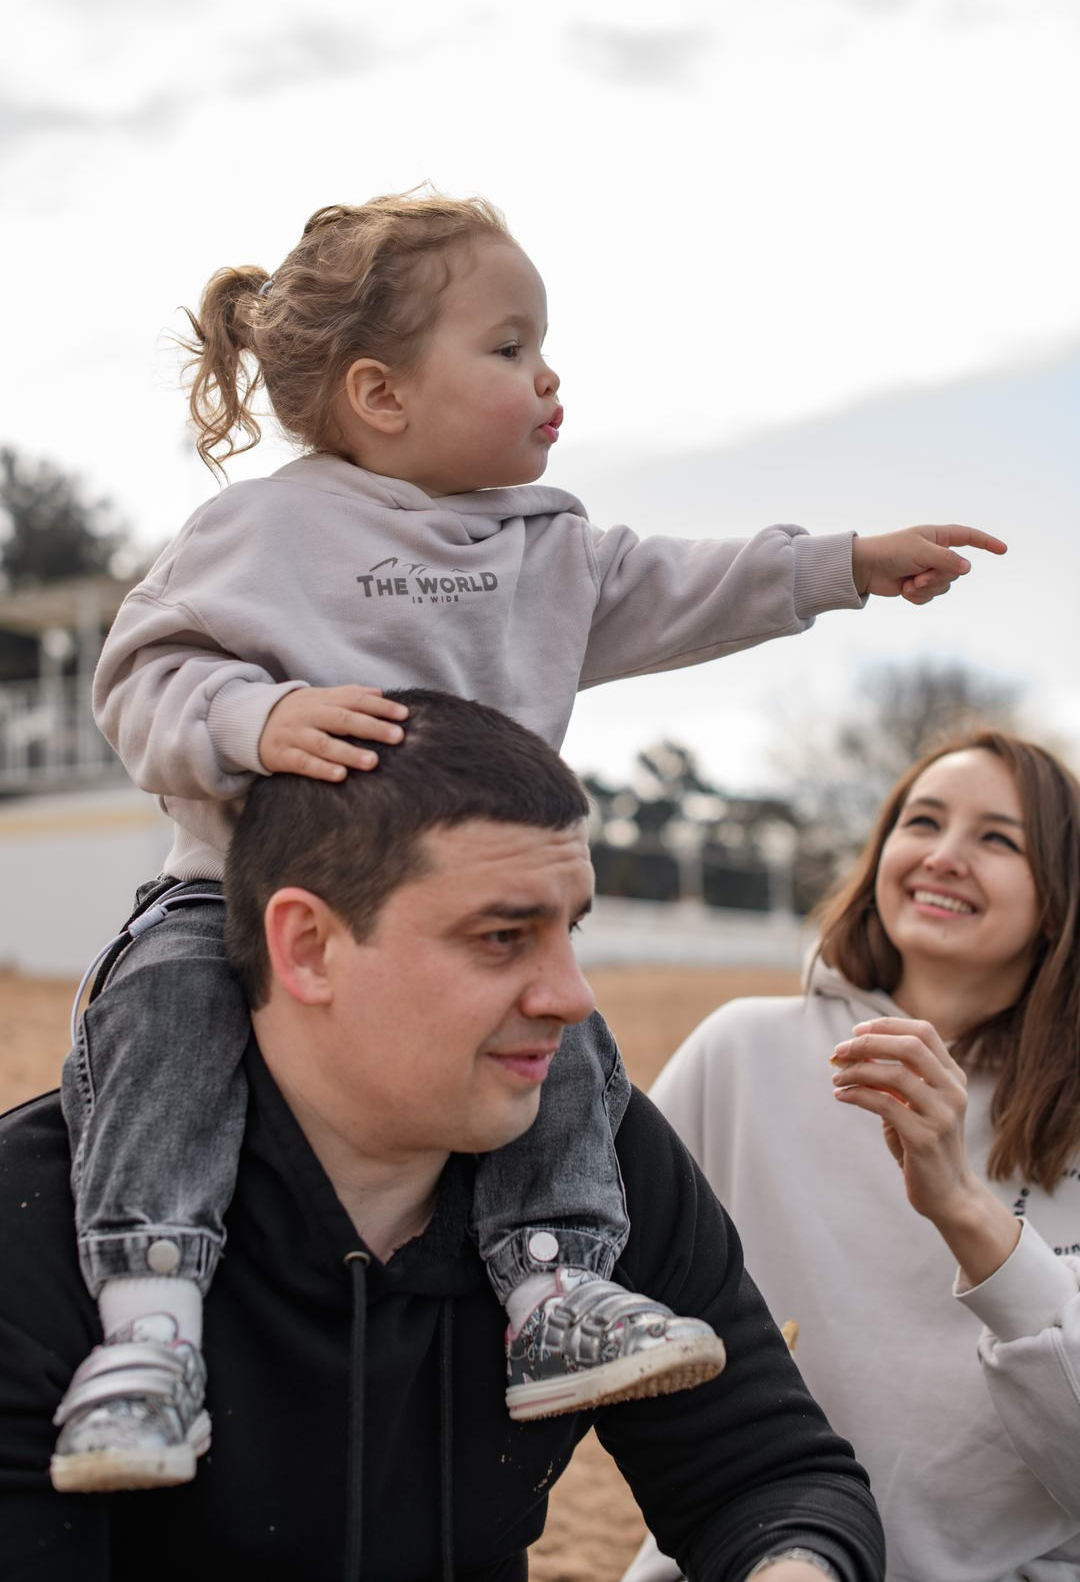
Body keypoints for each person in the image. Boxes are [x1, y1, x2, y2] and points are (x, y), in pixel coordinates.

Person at [60, 185, 1007, 1492]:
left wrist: (843, 562)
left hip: (475, 920)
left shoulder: (548, 551)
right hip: (238, 893)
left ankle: (558, 1284)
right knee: (157, 1009)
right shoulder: (260, 533)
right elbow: (141, 678)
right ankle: (147, 1329)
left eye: (541, 344)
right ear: (382, 395)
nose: (547, 375)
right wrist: (258, 715)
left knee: (558, 1036)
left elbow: (697, 581)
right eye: (508, 348)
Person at [0, 690, 885, 1582]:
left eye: (569, 929)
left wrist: (792, 1566)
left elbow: (764, 1474)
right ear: (307, 946)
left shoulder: (596, 1162)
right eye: (504, 936)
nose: (573, 997)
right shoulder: (33, 1218)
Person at [622, 730, 1080, 1582]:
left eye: (997, 838)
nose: (943, 856)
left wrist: (965, 1208)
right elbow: (593, 1280)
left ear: (1059, 896)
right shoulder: (743, 1049)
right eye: (922, 821)